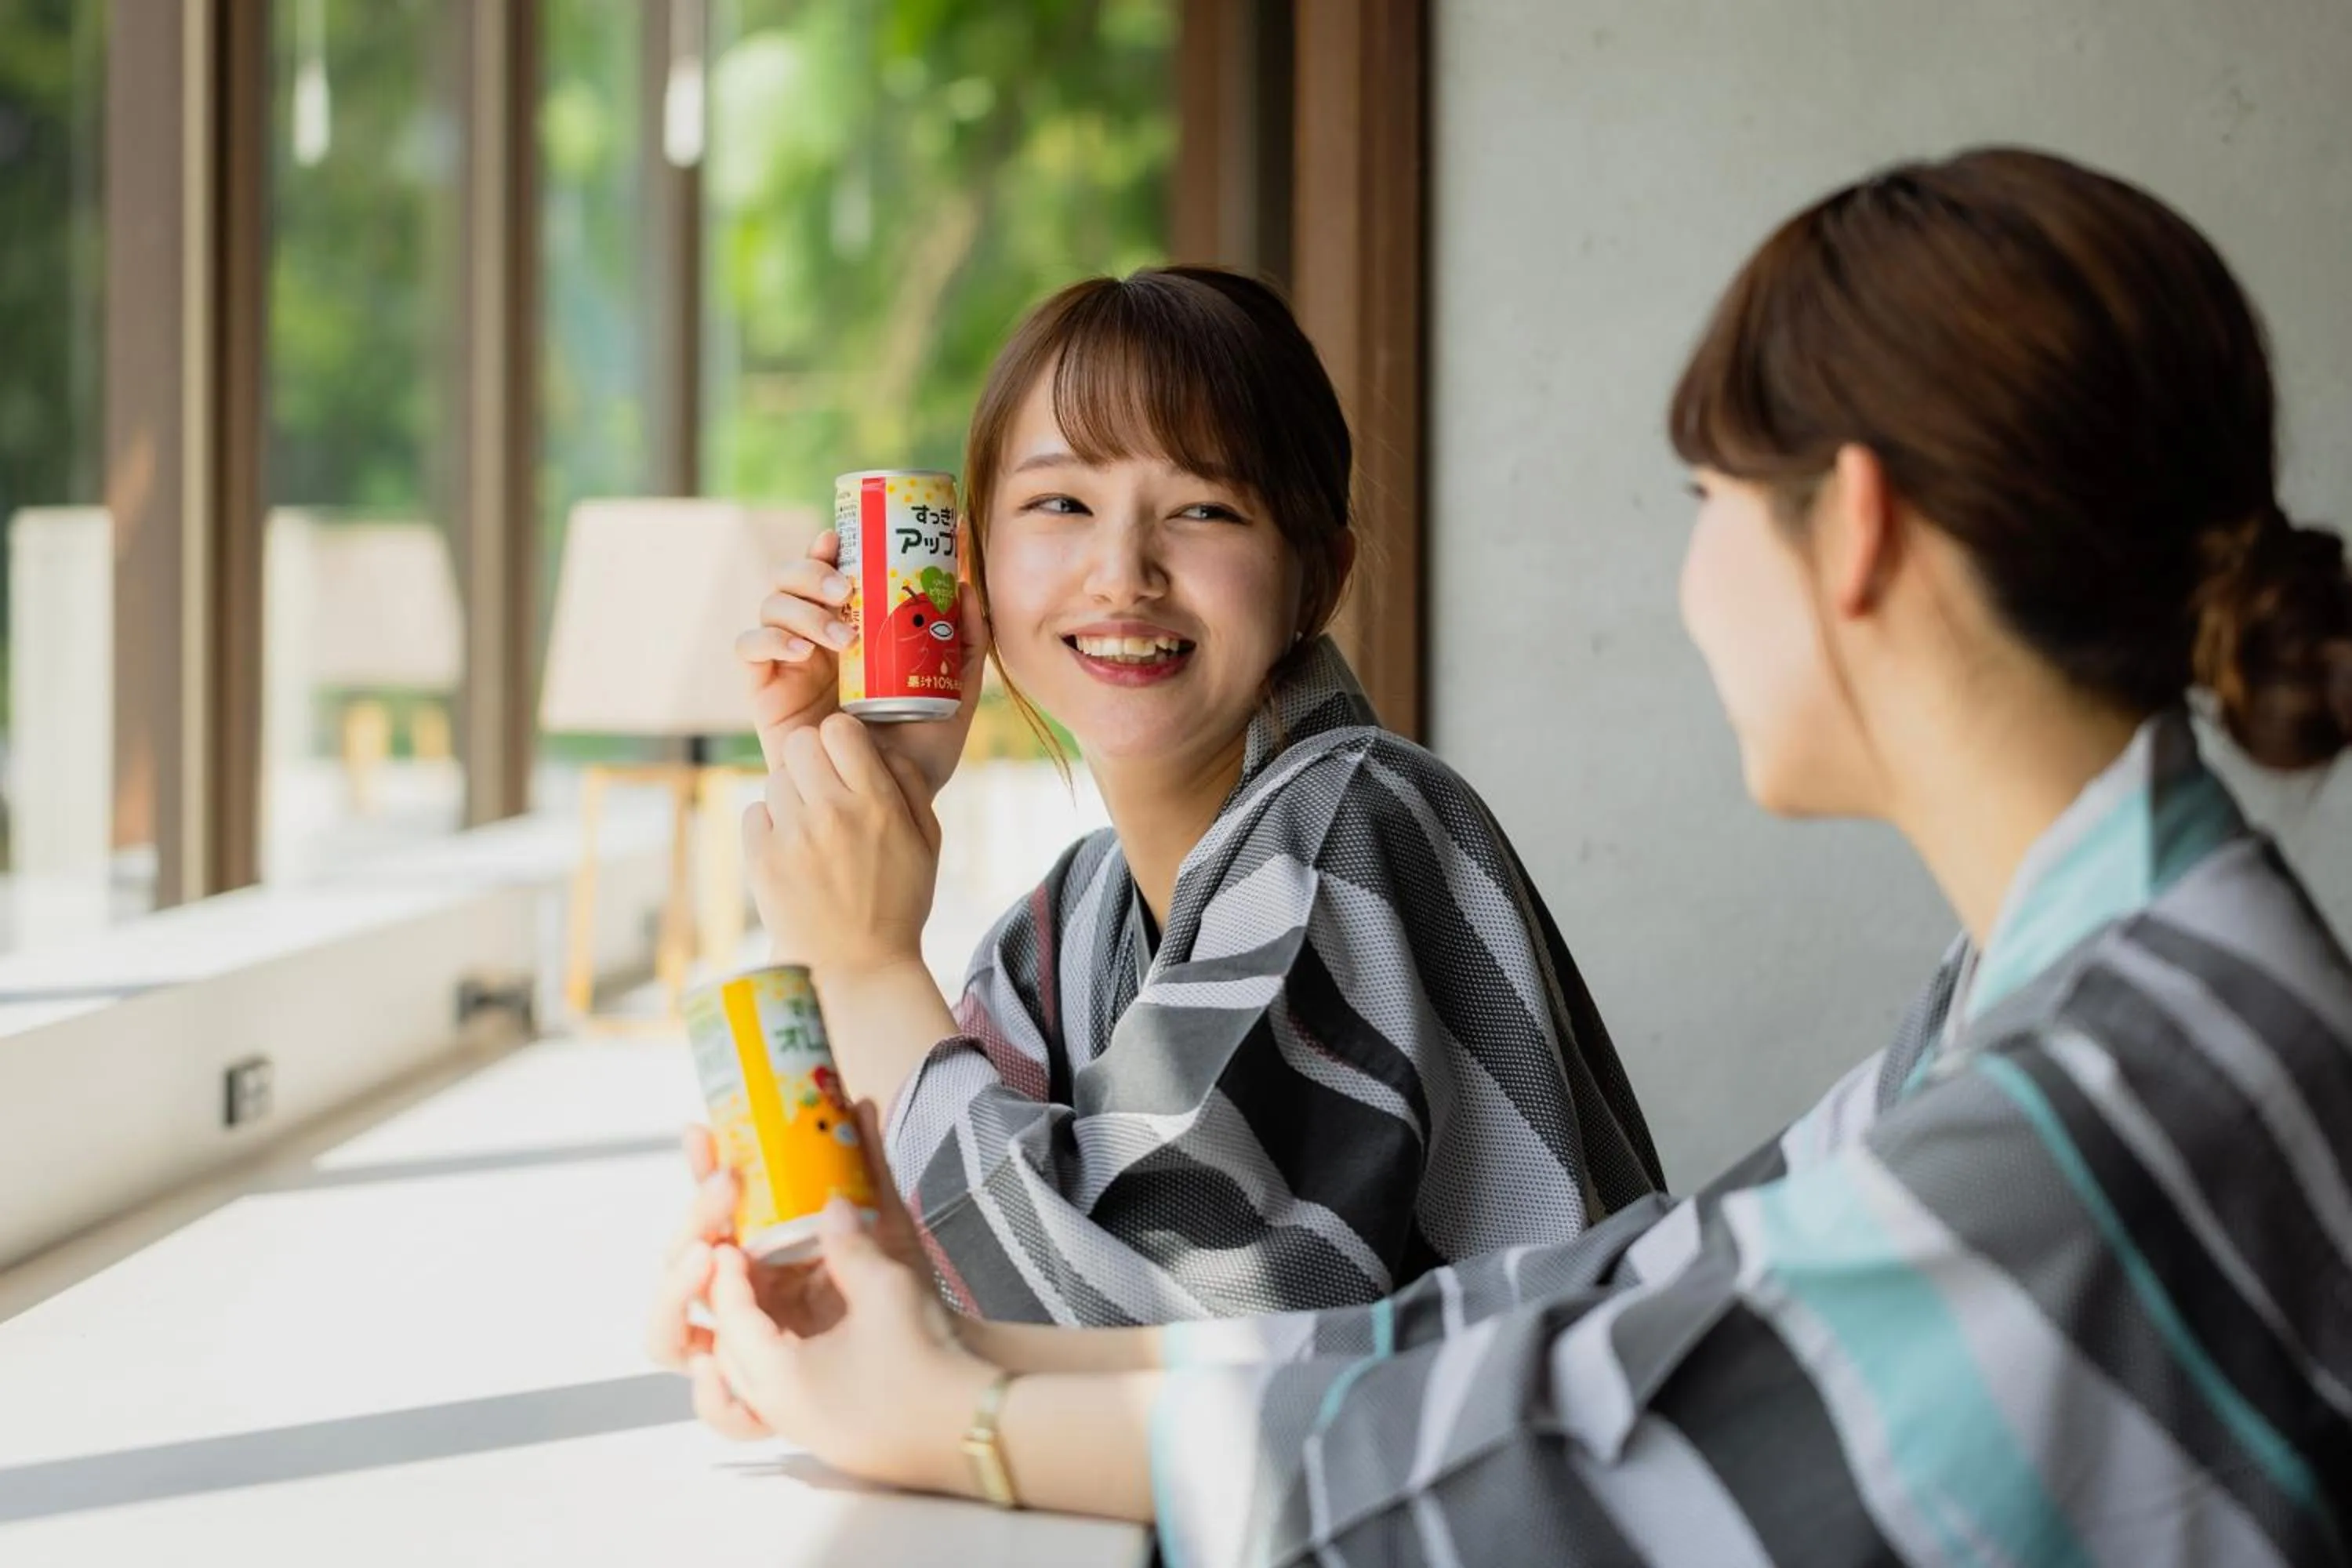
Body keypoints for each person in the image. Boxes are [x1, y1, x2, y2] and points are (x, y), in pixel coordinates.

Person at [652, 147, 2352, 1564]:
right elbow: (1621, 1296)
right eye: (1059, 508)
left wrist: (962, 1391)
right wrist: (907, 1338)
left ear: (1859, 530)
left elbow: (1567, 1457)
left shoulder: (2118, 1086)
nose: (1124, 574)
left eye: (1703, 498)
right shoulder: (2073, 987)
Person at [709, 267, 1662, 1326]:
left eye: (1205, 508)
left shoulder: (1355, 824)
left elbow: (1137, 1343)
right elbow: (950, 1264)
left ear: (1319, 579)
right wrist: (856, 786)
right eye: (1061, 502)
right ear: (974, 567)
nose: (1123, 574)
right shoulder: (1063, 930)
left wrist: (867, 958)